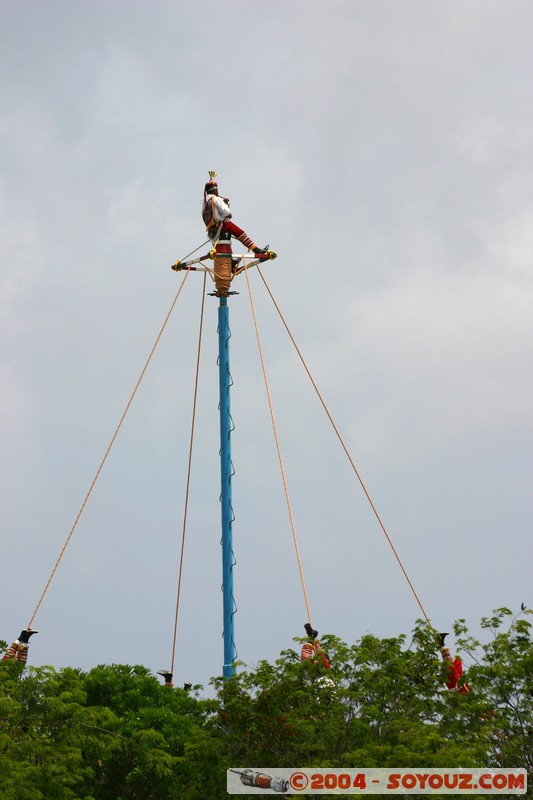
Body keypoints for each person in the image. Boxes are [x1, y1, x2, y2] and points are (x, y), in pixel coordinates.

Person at [201, 173, 273, 296]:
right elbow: (226, 212)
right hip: (222, 225)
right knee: (239, 233)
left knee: (226, 243)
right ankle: (256, 249)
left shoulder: (204, 203)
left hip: (213, 233)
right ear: (215, 190)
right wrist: (226, 205)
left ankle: (232, 263)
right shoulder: (216, 199)